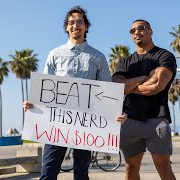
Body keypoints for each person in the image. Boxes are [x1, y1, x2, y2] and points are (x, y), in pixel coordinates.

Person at [23, 6, 127, 180]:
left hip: (85, 125)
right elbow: (44, 89)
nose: (75, 26)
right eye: (71, 22)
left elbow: (107, 90)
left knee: (81, 174)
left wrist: (117, 113)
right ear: (66, 27)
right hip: (56, 124)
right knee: (48, 173)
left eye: (80, 22)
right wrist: (32, 104)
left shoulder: (98, 57)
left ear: (86, 26)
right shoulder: (54, 54)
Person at [112, 19, 177, 180]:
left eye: (140, 28)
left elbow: (155, 85)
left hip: (156, 119)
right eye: (132, 30)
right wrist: (143, 77)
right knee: (130, 168)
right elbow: (116, 87)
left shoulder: (164, 56)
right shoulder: (125, 62)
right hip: (130, 120)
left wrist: (129, 85)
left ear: (150, 31)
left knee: (163, 166)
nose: (136, 32)